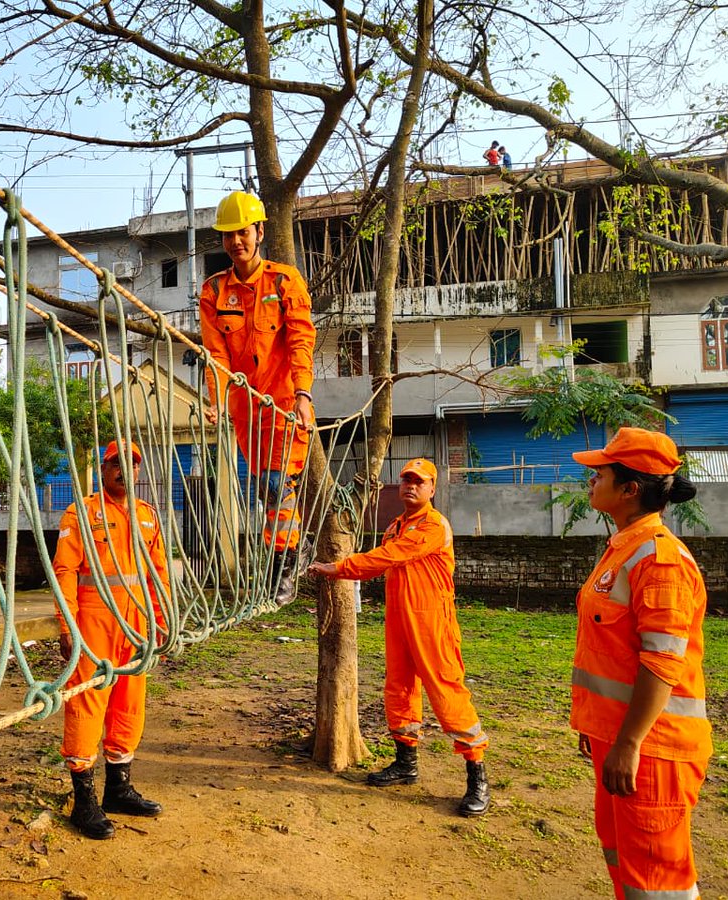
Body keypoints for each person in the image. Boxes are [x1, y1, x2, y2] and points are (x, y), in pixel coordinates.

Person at [569, 428, 711, 900]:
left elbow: (662, 662)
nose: (590, 479)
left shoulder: (660, 561)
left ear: (630, 488)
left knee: (658, 884)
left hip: (652, 752)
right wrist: (605, 734)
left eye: (600, 473)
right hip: (622, 742)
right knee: (628, 866)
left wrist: (628, 743)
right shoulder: (625, 549)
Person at [308, 458, 490, 817]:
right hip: (399, 622)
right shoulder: (395, 525)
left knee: (447, 694)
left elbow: (388, 557)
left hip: (433, 625)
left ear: (432, 489)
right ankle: (406, 763)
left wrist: (337, 568)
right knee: (400, 690)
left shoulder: (433, 526)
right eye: (406, 479)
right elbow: (389, 557)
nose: (411, 485)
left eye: (419, 481)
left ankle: (477, 776)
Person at [199, 189, 317, 605]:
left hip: (285, 403)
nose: (236, 242)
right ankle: (291, 551)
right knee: (269, 488)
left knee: (275, 484)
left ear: (259, 232)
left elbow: (302, 337)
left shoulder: (284, 280)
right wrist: (214, 399)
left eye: (243, 232)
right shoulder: (213, 291)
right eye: (228, 235)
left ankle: (283, 563)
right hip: (246, 410)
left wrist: (303, 393)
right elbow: (215, 354)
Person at [53, 439, 168, 840]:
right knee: (87, 703)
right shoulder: (81, 513)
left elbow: (157, 573)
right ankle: (83, 800)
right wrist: (67, 624)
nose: (125, 470)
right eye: (116, 463)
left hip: (135, 625)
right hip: (93, 621)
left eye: (132, 464)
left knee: (128, 705)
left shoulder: (147, 516)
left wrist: (161, 621)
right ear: (103, 470)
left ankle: (118, 789)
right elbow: (64, 570)